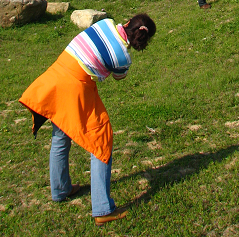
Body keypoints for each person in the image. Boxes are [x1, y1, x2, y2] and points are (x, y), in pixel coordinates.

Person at [19, 13, 156, 225]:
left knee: (61, 134)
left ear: (128, 22)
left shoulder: (105, 23)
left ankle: (60, 190)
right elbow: (119, 76)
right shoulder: (123, 58)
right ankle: (102, 208)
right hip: (76, 86)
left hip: (57, 73)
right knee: (101, 138)